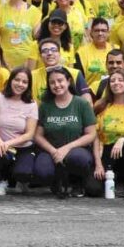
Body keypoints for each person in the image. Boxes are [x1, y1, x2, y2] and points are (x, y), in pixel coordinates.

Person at [33, 67, 98, 198]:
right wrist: (53, 151)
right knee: (42, 172)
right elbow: (37, 135)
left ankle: (76, 181)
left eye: (60, 80)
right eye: (52, 82)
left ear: (68, 81)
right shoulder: (45, 106)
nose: (57, 85)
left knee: (79, 159)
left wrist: (66, 148)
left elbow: (91, 134)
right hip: (51, 150)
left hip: (76, 149)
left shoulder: (82, 104)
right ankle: (57, 180)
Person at [91, 68, 124, 200]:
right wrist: (98, 164)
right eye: (113, 81)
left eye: (120, 80)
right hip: (105, 149)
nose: (116, 83)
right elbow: (95, 136)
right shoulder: (100, 105)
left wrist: (122, 140)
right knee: (93, 189)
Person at [0, 67, 37, 196]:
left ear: (28, 85)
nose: (20, 84)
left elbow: (29, 134)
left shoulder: (31, 104)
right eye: (17, 80)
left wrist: (8, 143)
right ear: (10, 80)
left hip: (23, 147)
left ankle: (20, 179)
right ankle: (2, 180)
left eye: (24, 82)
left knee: (23, 173)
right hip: (1, 145)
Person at [0, 0, 40, 69]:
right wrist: (1, 61)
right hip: (4, 62)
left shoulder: (35, 11)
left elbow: (37, 37)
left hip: (28, 62)